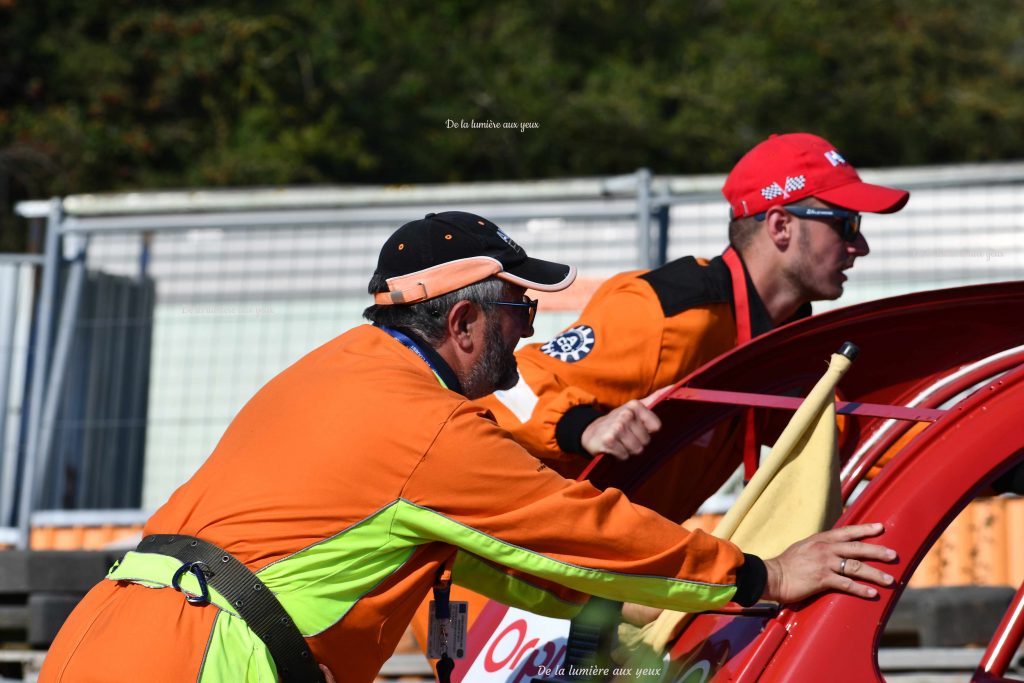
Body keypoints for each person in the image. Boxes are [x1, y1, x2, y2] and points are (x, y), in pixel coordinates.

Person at [40, 211, 897, 683]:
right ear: (461, 321)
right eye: (520, 311)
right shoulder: (431, 432)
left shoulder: (330, 371)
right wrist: (762, 575)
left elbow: (495, 559)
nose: (533, 327)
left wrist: (634, 613)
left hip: (100, 640)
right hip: (202, 666)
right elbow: (574, 522)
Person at [480, 133, 911, 500]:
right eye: (846, 225)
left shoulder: (784, 339)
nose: (861, 246)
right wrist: (584, 426)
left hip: (590, 582)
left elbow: (841, 437)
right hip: (502, 582)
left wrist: (965, 452)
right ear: (780, 226)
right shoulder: (665, 312)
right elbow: (506, 384)